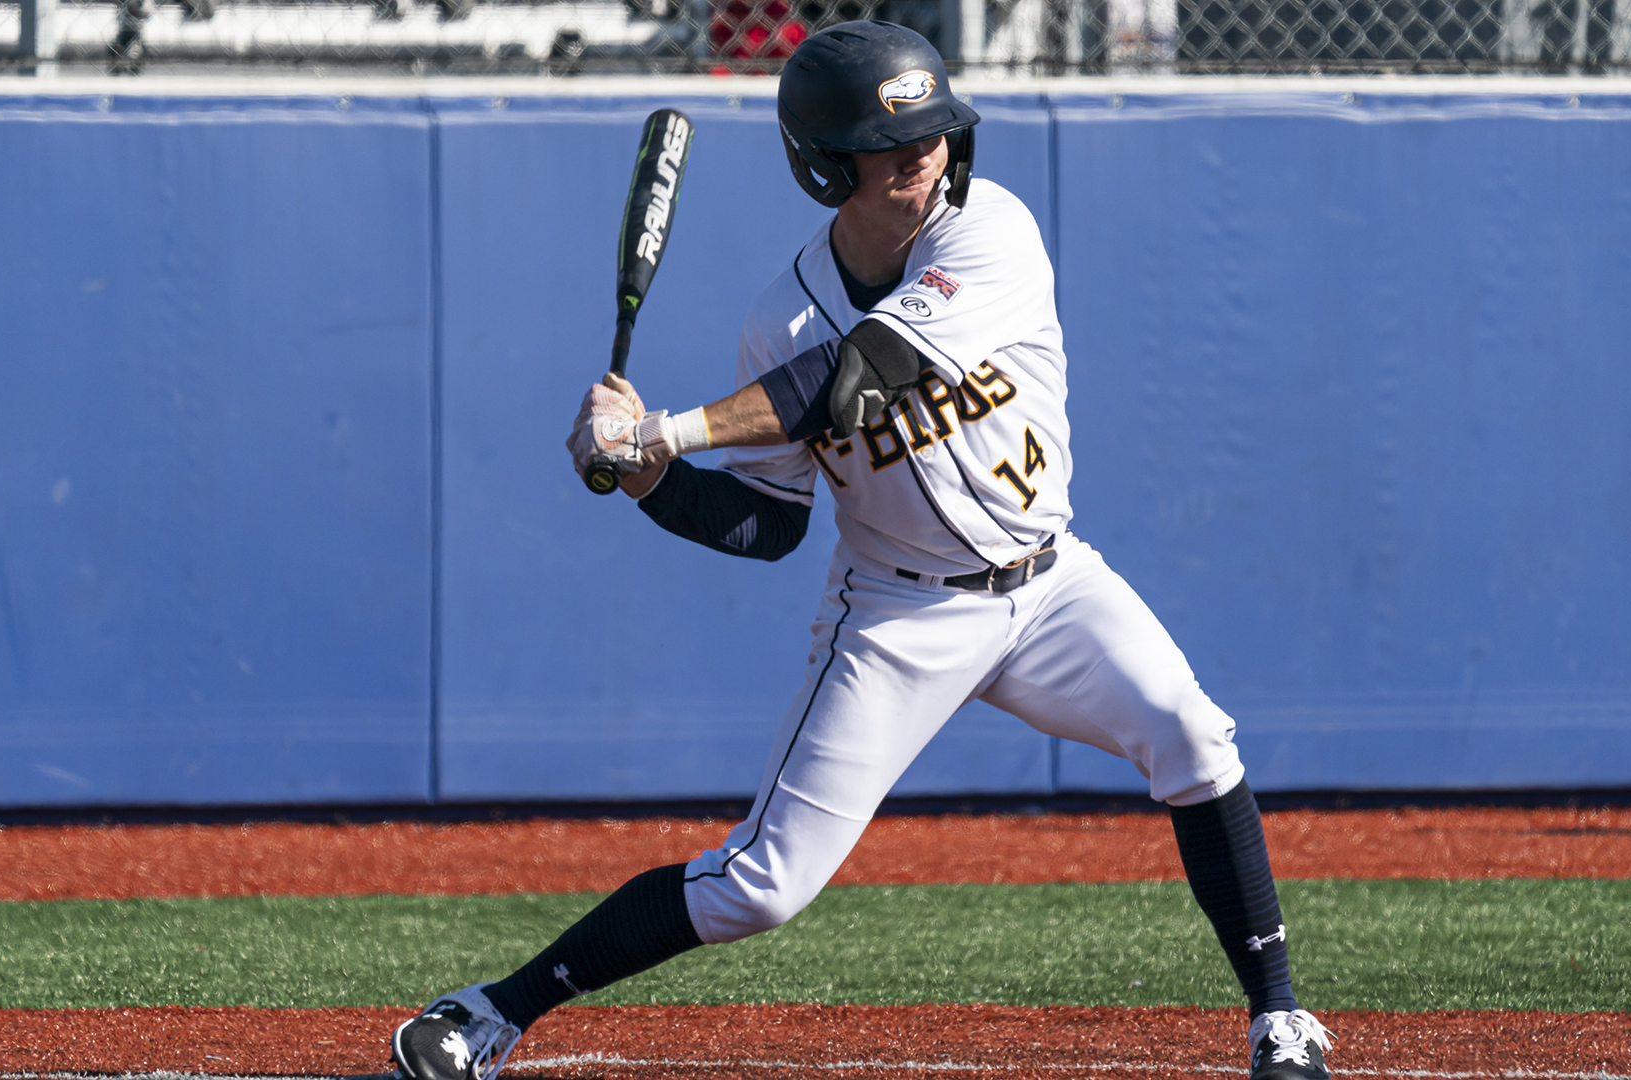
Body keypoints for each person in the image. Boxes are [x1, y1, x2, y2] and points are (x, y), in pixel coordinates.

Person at [385, 20, 1333, 1080]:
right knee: (761, 886)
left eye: (935, 129)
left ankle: (1279, 1021)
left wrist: (667, 429)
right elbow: (770, 527)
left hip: (1050, 583)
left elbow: (859, 378)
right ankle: (490, 1013)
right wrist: (648, 479)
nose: (926, 151)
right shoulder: (777, 320)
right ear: (827, 164)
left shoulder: (993, 231)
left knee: (1196, 739)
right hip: (897, 612)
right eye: (897, 140)